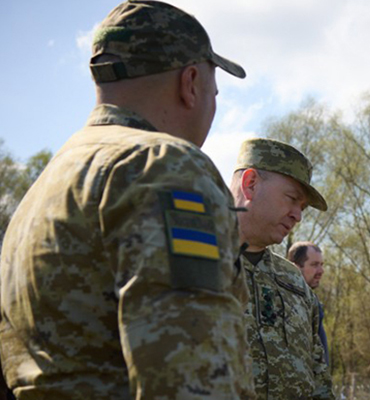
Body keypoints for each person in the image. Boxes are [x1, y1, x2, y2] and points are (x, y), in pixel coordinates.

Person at [0, 1, 254, 398]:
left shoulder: (41, 190)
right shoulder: (163, 166)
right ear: (190, 83)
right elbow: (191, 381)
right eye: (215, 91)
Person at [230, 138, 334, 399]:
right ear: (250, 184)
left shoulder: (295, 282)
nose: (298, 216)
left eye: (302, 207)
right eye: (292, 199)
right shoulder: (188, 263)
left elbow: (319, 377)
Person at [287, 241, 329, 365]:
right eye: (314, 265)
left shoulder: (312, 302)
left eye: (321, 264)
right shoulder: (283, 301)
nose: (321, 271)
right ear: (295, 267)